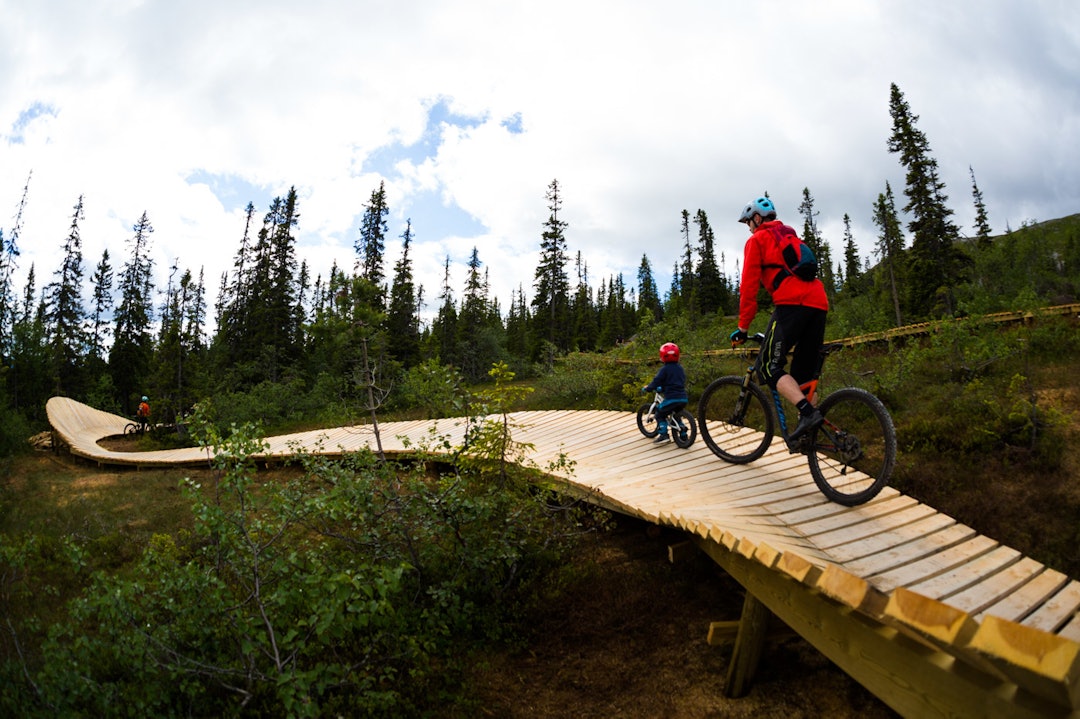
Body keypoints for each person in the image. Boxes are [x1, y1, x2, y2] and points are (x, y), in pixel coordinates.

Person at [730, 196, 829, 444]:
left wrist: (743, 328)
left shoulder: (758, 239)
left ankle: (807, 415)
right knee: (803, 376)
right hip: (819, 302)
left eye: (748, 223)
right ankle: (808, 437)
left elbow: (749, 288)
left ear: (756, 218)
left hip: (792, 304)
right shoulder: (791, 236)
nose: (749, 228)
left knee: (767, 366)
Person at [642, 342, 688, 443]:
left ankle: (664, 435)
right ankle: (683, 433)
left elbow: (657, 381)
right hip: (683, 398)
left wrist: (648, 388)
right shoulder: (680, 369)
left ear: (662, 356)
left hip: (672, 398)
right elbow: (676, 382)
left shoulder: (664, 370)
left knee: (659, 414)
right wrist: (663, 388)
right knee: (676, 414)